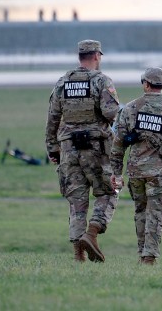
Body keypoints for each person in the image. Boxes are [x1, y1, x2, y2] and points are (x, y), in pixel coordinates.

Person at [45, 40, 121, 263]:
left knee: (77, 202)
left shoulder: (63, 82)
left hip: (68, 149)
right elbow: (110, 113)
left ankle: (79, 254)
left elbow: (52, 119)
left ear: (80, 56)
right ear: (96, 56)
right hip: (96, 148)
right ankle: (92, 233)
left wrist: (52, 148)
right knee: (108, 192)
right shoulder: (101, 80)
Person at [110, 67, 162, 265]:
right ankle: (149, 255)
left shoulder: (129, 109)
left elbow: (118, 144)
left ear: (146, 84)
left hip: (136, 171)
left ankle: (142, 252)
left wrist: (116, 173)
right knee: (156, 212)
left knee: (140, 211)